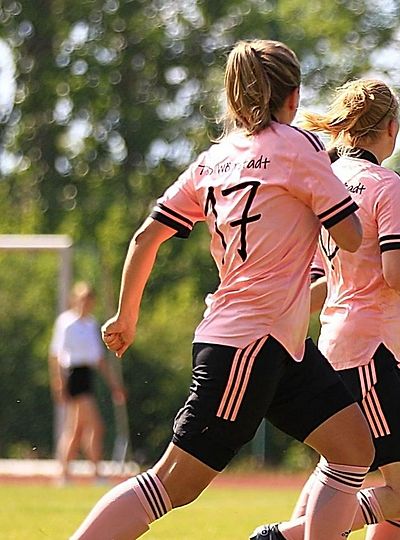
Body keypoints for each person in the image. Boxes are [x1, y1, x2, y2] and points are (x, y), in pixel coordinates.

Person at [70, 39, 375, 540]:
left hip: (278, 345)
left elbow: (148, 235)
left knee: (353, 450)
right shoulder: (299, 148)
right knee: (173, 484)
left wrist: (126, 317)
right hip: (248, 347)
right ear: (293, 96)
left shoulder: (214, 159)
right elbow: (350, 235)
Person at [250, 78, 400, 540]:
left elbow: (316, 279)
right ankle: (280, 537)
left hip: (333, 344)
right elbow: (395, 273)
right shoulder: (386, 183)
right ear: (391, 127)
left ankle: (284, 535)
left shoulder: (326, 180)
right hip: (369, 349)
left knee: (339, 468)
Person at [283, 222, 400, 540]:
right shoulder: (324, 221)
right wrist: (350, 274)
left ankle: (287, 535)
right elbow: (311, 297)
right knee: (351, 469)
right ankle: (288, 535)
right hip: (364, 357)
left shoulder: (392, 213)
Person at [49, 282, 126, 484]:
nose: (86, 304)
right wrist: (59, 382)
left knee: (76, 430)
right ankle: (97, 473)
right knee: (96, 426)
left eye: (89, 300)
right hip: (74, 376)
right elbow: (56, 355)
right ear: (75, 300)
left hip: (87, 376)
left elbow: (99, 359)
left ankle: (63, 474)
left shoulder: (92, 324)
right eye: (83, 299)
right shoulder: (66, 323)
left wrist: (114, 384)